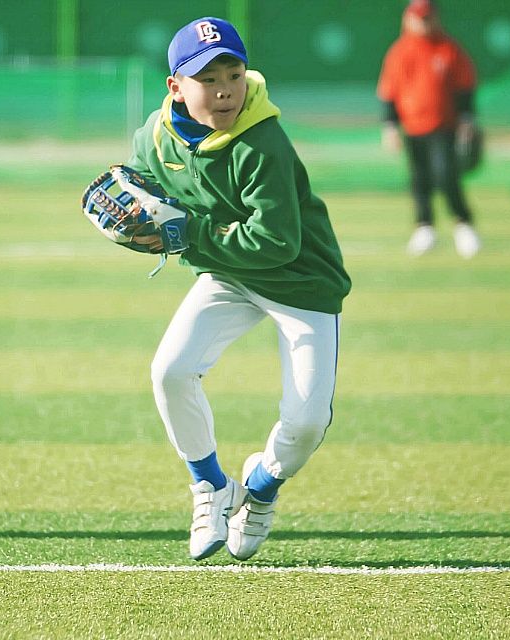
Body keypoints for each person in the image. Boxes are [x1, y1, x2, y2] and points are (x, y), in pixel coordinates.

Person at [124, 17, 351, 561]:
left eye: (234, 74)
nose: (225, 89)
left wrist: (188, 235)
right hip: (228, 272)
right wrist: (134, 214)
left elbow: (275, 243)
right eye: (208, 79)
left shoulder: (261, 144)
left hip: (300, 280)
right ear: (176, 87)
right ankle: (210, 486)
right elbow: (140, 185)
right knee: (170, 371)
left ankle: (261, 487)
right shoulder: (156, 135)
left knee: (307, 422)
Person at [377, 0, 481, 258]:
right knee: (419, 179)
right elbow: (389, 91)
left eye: (427, 18)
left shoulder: (448, 48)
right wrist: (390, 126)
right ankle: (425, 227)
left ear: (435, 18)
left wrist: (467, 119)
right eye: (418, 18)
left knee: (446, 176)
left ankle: (463, 224)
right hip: (413, 128)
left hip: (444, 126)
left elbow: (464, 86)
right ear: (408, 19)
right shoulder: (400, 51)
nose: (423, 23)